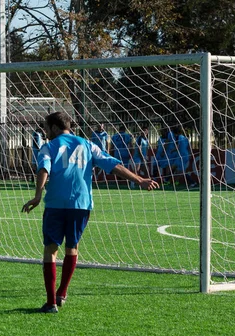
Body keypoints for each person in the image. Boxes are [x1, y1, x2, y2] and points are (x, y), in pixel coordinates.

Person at [21, 112, 159, 313]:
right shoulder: (88, 145)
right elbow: (113, 164)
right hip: (81, 203)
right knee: (72, 247)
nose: (45, 131)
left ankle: (51, 303)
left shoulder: (49, 146)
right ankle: (62, 293)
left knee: (51, 249)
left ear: (53, 127)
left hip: (56, 204)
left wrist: (37, 195)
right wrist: (139, 180)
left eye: (46, 127)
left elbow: (43, 169)